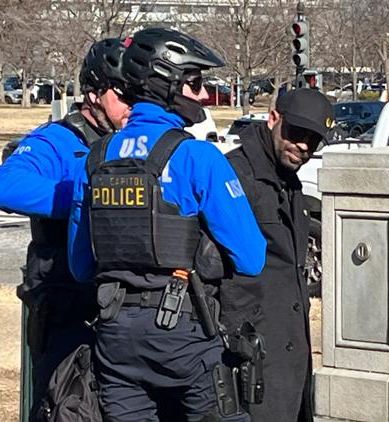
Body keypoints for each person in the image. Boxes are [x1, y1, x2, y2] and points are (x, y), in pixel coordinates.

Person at [67, 27, 266, 422]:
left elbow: (81, 265)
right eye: (194, 83)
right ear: (165, 84)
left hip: (115, 333)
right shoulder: (197, 157)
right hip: (183, 330)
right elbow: (251, 258)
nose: (203, 95)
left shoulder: (94, 158)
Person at [0, 37, 132, 421]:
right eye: (123, 94)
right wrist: (89, 195)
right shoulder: (57, 139)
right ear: (92, 93)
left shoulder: (134, 144)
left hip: (121, 310)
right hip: (66, 307)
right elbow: (8, 188)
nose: (131, 106)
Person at [220, 88, 334, 422]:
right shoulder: (235, 176)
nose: (304, 147)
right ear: (273, 119)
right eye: (297, 134)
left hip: (289, 355)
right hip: (249, 354)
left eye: (314, 141)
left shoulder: (290, 183)